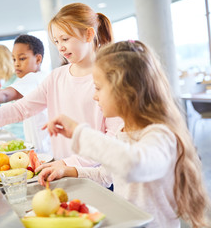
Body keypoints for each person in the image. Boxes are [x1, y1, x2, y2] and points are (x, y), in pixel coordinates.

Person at [0, 3, 122, 187]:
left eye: (65, 39)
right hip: (59, 171)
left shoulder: (110, 79)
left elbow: (113, 139)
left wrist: (69, 164)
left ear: (88, 34)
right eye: (56, 41)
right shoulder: (56, 77)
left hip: (96, 178)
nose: (60, 47)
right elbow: (21, 109)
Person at [44, 40, 210, 227]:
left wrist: (79, 132)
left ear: (125, 90)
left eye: (98, 88)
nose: (94, 96)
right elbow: (106, 176)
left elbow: (133, 165)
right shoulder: (124, 131)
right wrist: (69, 171)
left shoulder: (161, 136)